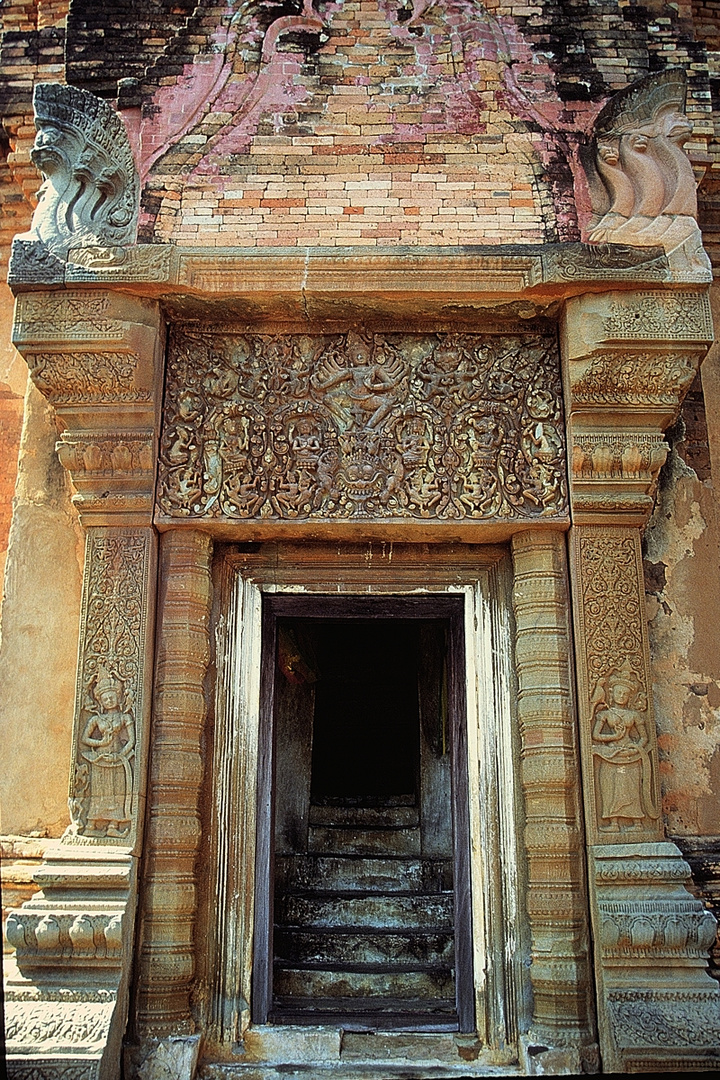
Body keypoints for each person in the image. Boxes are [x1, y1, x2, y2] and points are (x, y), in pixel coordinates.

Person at [79, 668, 135, 837]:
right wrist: (100, 743)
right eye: (105, 699)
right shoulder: (97, 719)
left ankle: (113, 825)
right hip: (100, 758)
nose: (109, 700)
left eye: (112, 697)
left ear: (119, 698)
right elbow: (84, 739)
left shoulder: (125, 718)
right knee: (100, 792)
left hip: (117, 758)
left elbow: (131, 740)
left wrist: (121, 754)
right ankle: (91, 825)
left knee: (117, 791)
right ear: (101, 702)